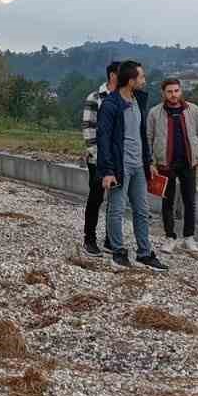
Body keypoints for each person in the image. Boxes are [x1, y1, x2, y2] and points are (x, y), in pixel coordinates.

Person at [97, 61, 169, 272]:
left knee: (142, 210)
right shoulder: (111, 105)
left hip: (138, 166)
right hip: (120, 166)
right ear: (131, 81)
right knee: (117, 209)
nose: (144, 80)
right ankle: (118, 252)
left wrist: (148, 162)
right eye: (141, 77)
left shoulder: (138, 101)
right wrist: (108, 171)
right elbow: (104, 139)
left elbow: (141, 135)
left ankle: (144, 253)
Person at [147, 78, 198, 253]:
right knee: (168, 202)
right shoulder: (154, 113)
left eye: (176, 91)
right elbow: (148, 139)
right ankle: (170, 237)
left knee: (190, 200)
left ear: (180, 91)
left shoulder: (193, 110)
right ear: (163, 93)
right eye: (169, 91)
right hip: (165, 163)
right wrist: (150, 162)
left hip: (189, 162)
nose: (173, 95)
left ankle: (188, 237)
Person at [80, 62, 120, 256]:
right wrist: (97, 156)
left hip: (117, 159)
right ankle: (89, 238)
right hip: (98, 159)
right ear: (113, 75)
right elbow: (88, 129)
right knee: (96, 198)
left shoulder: (124, 98)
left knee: (116, 200)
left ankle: (110, 239)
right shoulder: (95, 98)